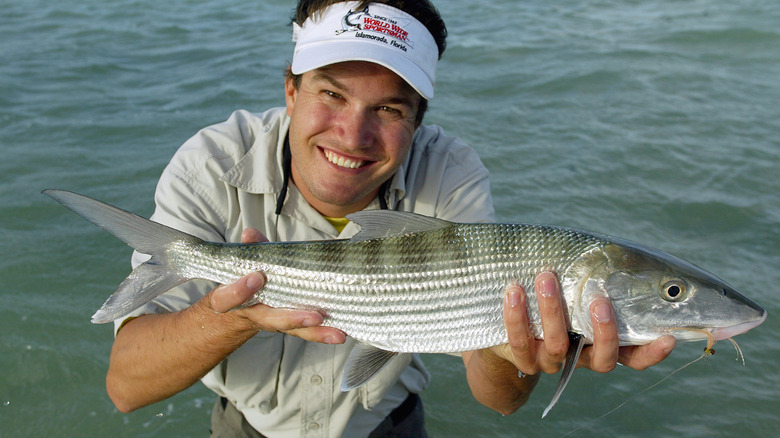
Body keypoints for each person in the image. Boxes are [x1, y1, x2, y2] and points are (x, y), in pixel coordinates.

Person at [105, 1, 677, 436]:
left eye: (388, 108)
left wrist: (516, 351)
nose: (352, 136)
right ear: (290, 90)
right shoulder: (211, 163)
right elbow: (126, 387)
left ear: (419, 119)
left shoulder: (450, 173)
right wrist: (238, 315)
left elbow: (501, 398)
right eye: (331, 94)